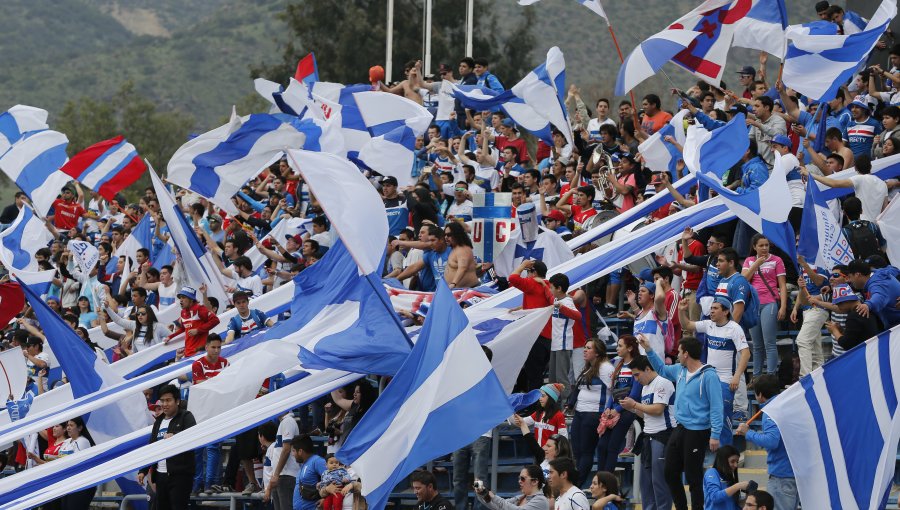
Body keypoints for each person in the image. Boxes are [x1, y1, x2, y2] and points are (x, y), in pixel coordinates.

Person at [638, 334, 723, 510]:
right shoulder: (679, 370)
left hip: (698, 431)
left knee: (693, 476)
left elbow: (717, 406)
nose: (677, 354)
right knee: (669, 472)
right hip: (680, 428)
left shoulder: (709, 375)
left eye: (680, 351)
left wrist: (715, 434)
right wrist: (648, 349)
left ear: (686, 354)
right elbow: (661, 369)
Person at [618, 355, 675, 510]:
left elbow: (657, 410)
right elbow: (646, 414)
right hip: (648, 436)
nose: (636, 379)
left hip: (663, 435)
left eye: (637, 374)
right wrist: (632, 408)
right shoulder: (645, 387)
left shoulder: (663, 382)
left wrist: (635, 404)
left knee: (659, 481)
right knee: (646, 481)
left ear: (648, 369)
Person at [735, 375, 798, 510]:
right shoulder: (786, 406)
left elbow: (771, 441)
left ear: (760, 395)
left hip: (781, 475)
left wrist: (748, 433)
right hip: (793, 472)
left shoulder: (771, 411)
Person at [139, 384, 196, 510]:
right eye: (162, 401)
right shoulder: (158, 421)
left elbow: (193, 437)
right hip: (160, 475)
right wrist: (143, 470)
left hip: (180, 475)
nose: (165, 404)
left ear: (177, 401)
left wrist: (175, 436)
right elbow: (152, 446)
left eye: (168, 400)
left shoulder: (186, 417)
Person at [568, 339, 614, 487]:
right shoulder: (588, 368)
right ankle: (575, 484)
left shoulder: (606, 368)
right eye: (584, 347)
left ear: (597, 352)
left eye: (588, 348)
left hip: (594, 413)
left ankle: (575, 486)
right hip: (580, 413)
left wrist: (609, 411)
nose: (585, 350)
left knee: (586, 452)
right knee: (577, 453)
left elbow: (614, 390)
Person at [741, 235, 787, 377]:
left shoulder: (776, 260)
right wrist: (756, 265)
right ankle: (756, 377)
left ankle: (771, 376)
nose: (764, 248)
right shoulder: (749, 261)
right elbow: (743, 280)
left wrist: (783, 306)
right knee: (757, 345)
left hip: (770, 303)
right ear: (754, 247)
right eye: (761, 245)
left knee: (769, 343)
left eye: (766, 245)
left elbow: (783, 285)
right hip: (753, 305)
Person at [595, 335, 642, 472]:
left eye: (620, 345)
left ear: (630, 348)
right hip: (614, 410)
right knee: (601, 446)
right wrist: (609, 408)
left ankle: (607, 482)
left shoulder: (637, 365)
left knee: (612, 447)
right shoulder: (618, 364)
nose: (617, 348)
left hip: (627, 410)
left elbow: (634, 394)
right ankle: (600, 479)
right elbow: (613, 390)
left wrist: (617, 410)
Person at [191, 333, 229, 495]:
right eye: (213, 347)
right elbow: (200, 384)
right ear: (206, 347)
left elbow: (230, 383)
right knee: (198, 449)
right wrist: (219, 382)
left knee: (213, 447)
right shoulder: (198, 364)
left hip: (217, 411)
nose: (216, 350)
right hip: (199, 411)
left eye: (219, 347)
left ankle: (209, 483)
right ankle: (196, 483)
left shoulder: (225, 363)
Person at [508, 259, 554, 392]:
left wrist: (522, 265)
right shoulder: (548, 285)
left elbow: (513, 278)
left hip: (535, 336)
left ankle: (534, 406)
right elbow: (540, 304)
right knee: (535, 373)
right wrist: (522, 307)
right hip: (547, 336)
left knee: (533, 374)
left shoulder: (533, 283)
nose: (526, 274)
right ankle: (533, 404)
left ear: (534, 272)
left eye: (528, 272)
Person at [806, 154, 887, 222]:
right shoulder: (883, 184)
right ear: (871, 166)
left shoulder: (859, 179)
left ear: (855, 168)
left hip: (861, 224)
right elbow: (884, 209)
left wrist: (810, 175)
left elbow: (833, 183)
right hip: (876, 227)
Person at [824, 283, 881, 351]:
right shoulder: (867, 309)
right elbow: (857, 335)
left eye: (838, 304)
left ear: (845, 301)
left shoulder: (854, 316)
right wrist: (841, 331)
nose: (839, 308)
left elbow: (846, 344)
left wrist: (834, 331)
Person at [548, 274, 581, 390]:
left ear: (559, 288)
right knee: (552, 379)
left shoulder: (567, 302)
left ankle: (564, 404)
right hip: (555, 344)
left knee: (561, 379)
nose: (550, 290)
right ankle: (553, 405)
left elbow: (578, 316)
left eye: (551, 287)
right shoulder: (556, 299)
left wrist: (562, 307)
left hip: (563, 344)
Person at [846, 259, 900, 328]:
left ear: (857, 275)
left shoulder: (877, 284)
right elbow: (894, 270)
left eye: (850, 277)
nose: (850, 280)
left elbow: (879, 296)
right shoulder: (879, 273)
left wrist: (867, 305)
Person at [168, 286, 220, 357]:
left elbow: (215, 320)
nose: (181, 300)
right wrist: (170, 337)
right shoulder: (183, 312)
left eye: (183, 297)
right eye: (180, 298)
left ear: (191, 300)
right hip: (187, 353)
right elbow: (183, 329)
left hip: (200, 353)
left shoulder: (200, 309)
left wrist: (198, 330)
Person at [59, 417, 97, 510]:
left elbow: (76, 462)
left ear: (80, 428)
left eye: (71, 425)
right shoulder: (66, 442)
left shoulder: (83, 441)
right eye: (67, 425)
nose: (68, 428)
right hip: (66, 483)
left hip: (79, 484)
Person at [474, 464, 549, 510]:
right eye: (519, 478)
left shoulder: (541, 501)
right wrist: (482, 492)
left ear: (535, 481)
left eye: (522, 478)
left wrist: (493, 496)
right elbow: (497, 506)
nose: (519, 481)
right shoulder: (520, 497)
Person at [268, 411, 301, 510]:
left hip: (286, 475)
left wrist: (276, 474)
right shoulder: (284, 422)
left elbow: (286, 450)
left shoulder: (288, 421)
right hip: (281, 475)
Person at [703, 445, 749, 510]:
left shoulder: (730, 478)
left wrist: (748, 496)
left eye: (737, 462)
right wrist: (738, 486)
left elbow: (736, 506)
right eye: (732, 461)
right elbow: (715, 497)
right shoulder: (712, 472)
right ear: (723, 460)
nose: (736, 465)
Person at [292, 434, 327, 510]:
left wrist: (326, 500)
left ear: (300, 451)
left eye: (294, 451)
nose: (292, 454)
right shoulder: (303, 464)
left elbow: (333, 479)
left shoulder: (318, 461)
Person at [444, 222, 479, 288]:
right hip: (458, 290)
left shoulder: (463, 249)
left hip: (469, 290)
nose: (446, 237)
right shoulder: (454, 249)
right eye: (445, 235)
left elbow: (463, 268)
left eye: (449, 235)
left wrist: (453, 283)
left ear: (457, 234)